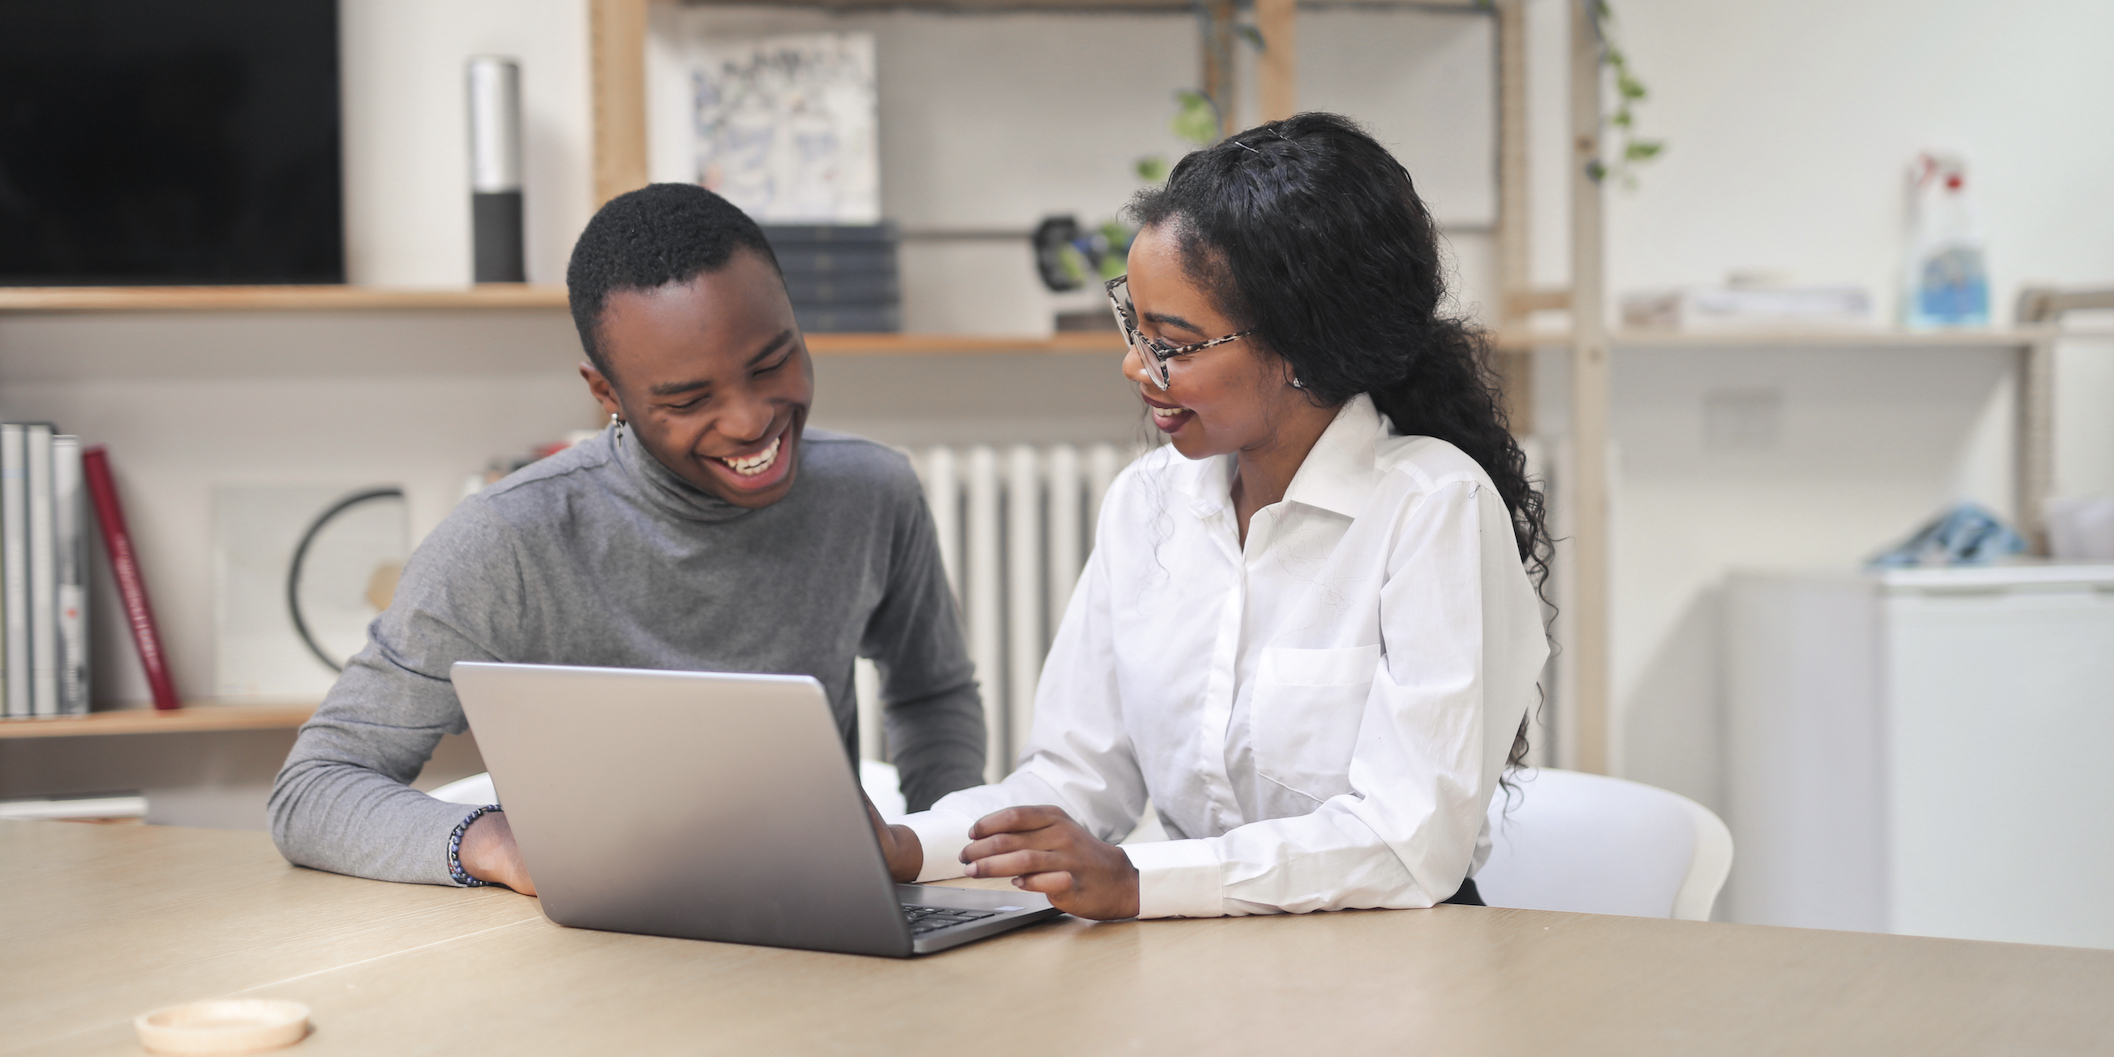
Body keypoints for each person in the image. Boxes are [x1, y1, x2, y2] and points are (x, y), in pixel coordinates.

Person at [868, 113, 1553, 920]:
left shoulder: (1433, 507)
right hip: (1201, 947)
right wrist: (909, 845)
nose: (1136, 365)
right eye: (1136, 324)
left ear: (1301, 348)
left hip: (1391, 968)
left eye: (1174, 342)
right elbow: (1074, 782)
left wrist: (1139, 881)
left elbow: (1407, 844)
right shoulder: (1147, 503)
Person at [271, 184, 985, 892]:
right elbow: (314, 788)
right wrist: (494, 843)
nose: (748, 420)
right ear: (605, 392)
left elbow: (933, 693)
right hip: (590, 945)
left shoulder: (874, 491)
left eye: (772, 363)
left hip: (813, 917)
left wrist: (928, 859)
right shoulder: (505, 542)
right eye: (688, 399)